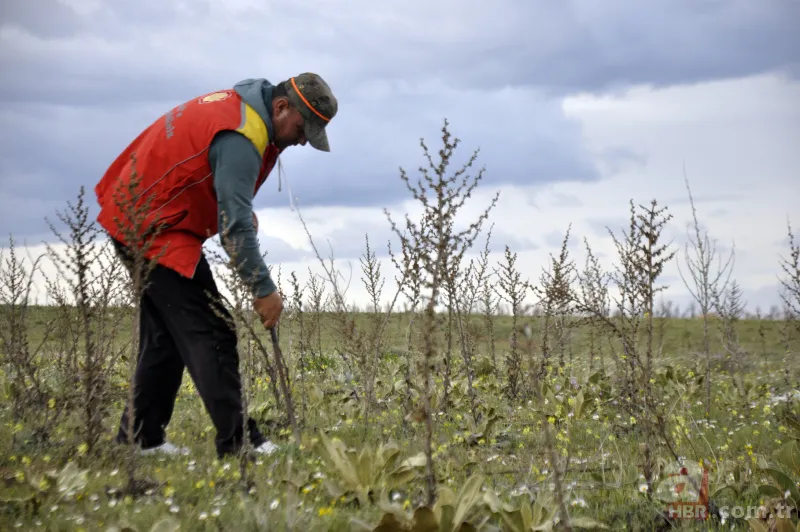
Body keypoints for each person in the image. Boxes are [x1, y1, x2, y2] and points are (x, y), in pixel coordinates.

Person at [93, 73, 338, 457]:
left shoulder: (243, 108)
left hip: (138, 213)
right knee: (212, 330)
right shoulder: (242, 134)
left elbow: (221, 186)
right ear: (281, 107)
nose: (303, 139)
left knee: (168, 333)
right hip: (151, 225)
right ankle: (241, 444)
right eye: (302, 128)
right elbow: (234, 229)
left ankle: (141, 439)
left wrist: (235, 204)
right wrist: (263, 290)